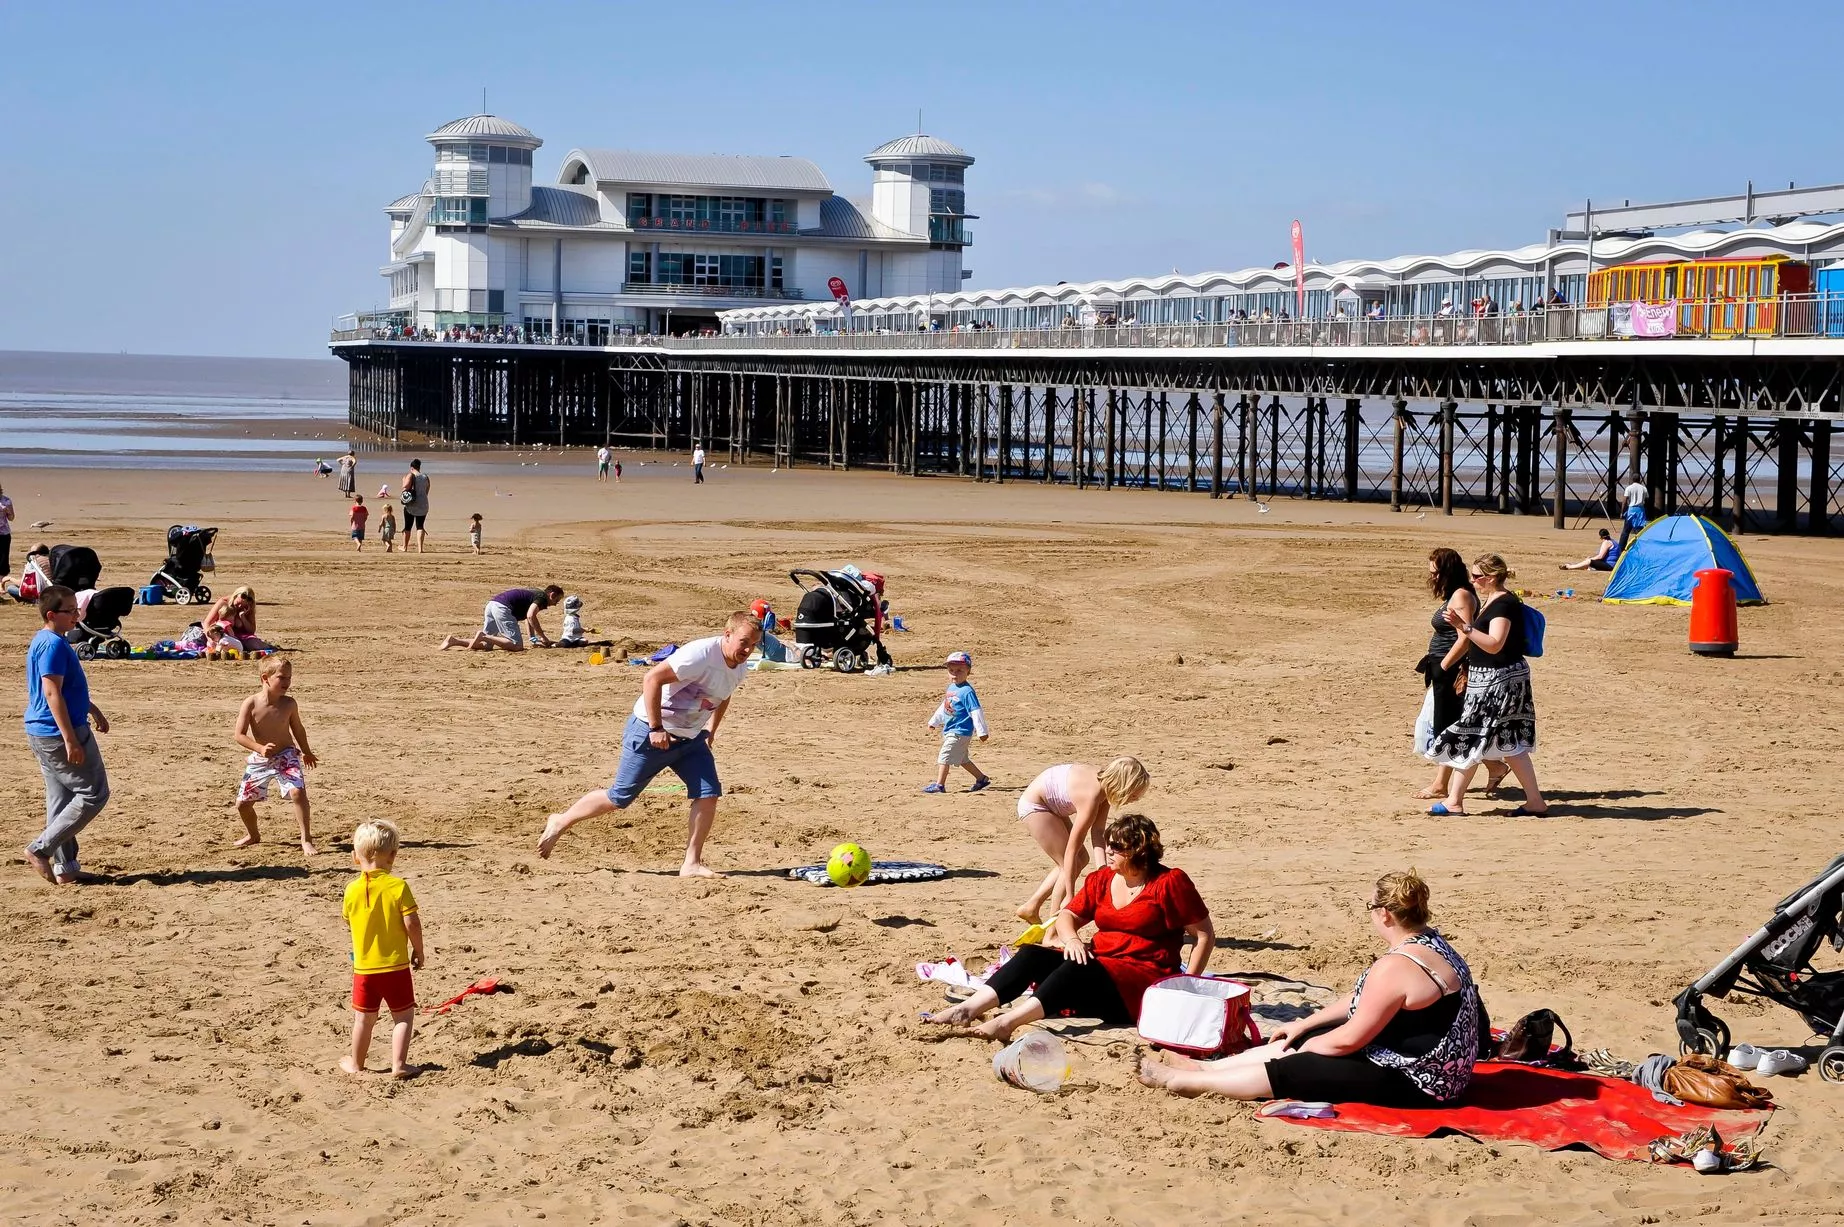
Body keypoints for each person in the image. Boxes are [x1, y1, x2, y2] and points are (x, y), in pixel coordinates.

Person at [1139, 870, 1480, 1108]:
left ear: (1386, 915)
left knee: (1299, 1065)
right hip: (1438, 1067)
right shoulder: (1432, 943)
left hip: (1421, 1082)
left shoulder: (1395, 966)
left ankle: (1187, 1082)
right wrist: (1305, 1024)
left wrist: (1313, 1046)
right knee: (1301, 1038)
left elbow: (1349, 1039)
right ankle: (1206, 1068)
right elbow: (1363, 999)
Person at [922, 815, 1213, 1040]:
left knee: (1079, 967)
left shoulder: (1170, 882)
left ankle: (1007, 1022)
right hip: (1103, 969)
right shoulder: (1102, 879)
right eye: (1108, 844)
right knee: (1033, 955)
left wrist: (1187, 987)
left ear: (1138, 851)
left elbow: (1203, 936)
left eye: (1116, 847)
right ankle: (968, 1009)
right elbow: (1067, 916)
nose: (1108, 851)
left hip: (1143, 981)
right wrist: (1072, 939)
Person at [537, 610, 761, 877]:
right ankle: (561, 820)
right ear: (727, 635)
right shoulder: (700, 655)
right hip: (650, 733)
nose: (748, 649)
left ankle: (691, 863)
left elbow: (723, 694)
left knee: (708, 793)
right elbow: (652, 678)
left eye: (754, 644)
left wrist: (711, 730)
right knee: (619, 798)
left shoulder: (740, 666)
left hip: (690, 739)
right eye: (744, 641)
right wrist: (656, 728)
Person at [1426, 554, 1547, 816]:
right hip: (1491, 679)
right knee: (1505, 744)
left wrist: (1464, 627)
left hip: (1499, 683)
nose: (1472, 581)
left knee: (1475, 736)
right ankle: (1533, 802)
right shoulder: (1494, 599)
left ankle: (1455, 801)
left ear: (1491, 578)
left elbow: (1495, 643)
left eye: (1477, 577)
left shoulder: (1505, 604)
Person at [22, 586, 111, 884]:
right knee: (94, 793)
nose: (77, 614)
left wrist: (92, 709)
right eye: (70, 610)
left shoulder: (49, 640)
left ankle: (67, 869)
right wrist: (71, 738)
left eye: (77, 609)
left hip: (44, 732)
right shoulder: (53, 645)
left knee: (60, 799)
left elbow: (67, 689)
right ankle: (40, 849)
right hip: (57, 733)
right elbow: (51, 692)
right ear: (52, 614)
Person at [1413, 549, 1505, 801]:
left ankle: (1441, 784)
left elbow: (1465, 636)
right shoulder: (1455, 594)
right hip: (1442, 666)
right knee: (1451, 723)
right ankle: (1493, 766)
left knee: (1449, 725)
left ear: (1446, 572)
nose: (1431, 577)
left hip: (1451, 669)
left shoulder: (1462, 595)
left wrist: (1444, 666)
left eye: (1435, 572)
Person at [1014, 757, 1151, 924]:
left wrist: (1103, 870)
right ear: (1123, 786)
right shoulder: (1091, 796)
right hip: (1036, 806)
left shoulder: (1105, 787)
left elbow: (1098, 831)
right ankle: (1055, 924)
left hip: (1053, 805)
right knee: (1067, 864)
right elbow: (1071, 849)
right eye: (1134, 794)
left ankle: (1031, 907)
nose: (1135, 799)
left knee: (1081, 859)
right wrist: (1070, 897)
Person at [340, 820, 424, 1080]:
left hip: (364, 969)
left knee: (363, 1020)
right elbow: (412, 923)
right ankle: (399, 1065)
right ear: (393, 855)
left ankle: (356, 1064)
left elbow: (348, 920)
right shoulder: (398, 887)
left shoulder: (351, 890)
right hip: (395, 967)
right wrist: (419, 950)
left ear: (355, 857)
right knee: (403, 1018)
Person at [232, 656, 319, 855]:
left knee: (298, 793)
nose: (287, 682)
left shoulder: (289, 704)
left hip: (286, 755)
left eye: (289, 678)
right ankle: (253, 835)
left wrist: (306, 751)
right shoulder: (251, 704)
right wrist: (259, 748)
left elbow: (298, 729)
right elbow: (239, 735)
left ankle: (306, 839)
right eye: (282, 678)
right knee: (242, 805)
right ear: (266, 678)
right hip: (261, 759)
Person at [924, 650, 990, 794]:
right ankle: (981, 778)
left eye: (960, 670)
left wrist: (982, 732)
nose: (955, 674)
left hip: (960, 731)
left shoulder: (967, 691)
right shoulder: (952, 688)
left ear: (968, 671)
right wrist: (934, 722)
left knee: (944, 755)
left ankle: (939, 785)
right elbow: (945, 706)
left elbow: (976, 711)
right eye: (951, 670)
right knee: (962, 759)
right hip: (951, 729)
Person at [439, 584, 563, 652]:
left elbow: (527, 618)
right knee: (517, 645)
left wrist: (533, 639)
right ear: (551, 595)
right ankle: (483, 636)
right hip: (503, 607)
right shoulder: (542, 598)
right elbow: (531, 616)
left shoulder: (536, 593)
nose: (556, 603)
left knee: (487, 645)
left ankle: (454, 641)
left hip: (492, 604)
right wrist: (543, 637)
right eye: (557, 600)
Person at [202, 586, 267, 659]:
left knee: (253, 645)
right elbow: (207, 623)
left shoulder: (248, 608)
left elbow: (251, 631)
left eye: (242, 605)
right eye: (238, 603)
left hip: (241, 637)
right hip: (223, 636)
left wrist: (243, 617)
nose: (239, 606)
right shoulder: (223, 603)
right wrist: (211, 640)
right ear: (235, 596)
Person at [400, 459, 431, 554]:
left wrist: (403, 480)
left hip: (412, 504)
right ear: (419, 467)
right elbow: (427, 490)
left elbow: (405, 487)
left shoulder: (410, 475)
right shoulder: (425, 477)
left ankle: (405, 547)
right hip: (424, 504)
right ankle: (420, 549)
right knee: (420, 526)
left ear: (411, 467)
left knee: (408, 526)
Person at [1617, 474, 1648, 555]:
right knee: (1639, 531)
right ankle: (1640, 548)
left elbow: (1625, 500)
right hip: (1640, 509)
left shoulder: (1629, 488)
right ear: (1640, 479)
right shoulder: (1644, 488)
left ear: (1632, 479)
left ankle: (1621, 548)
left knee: (1626, 530)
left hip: (1631, 509)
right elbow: (1647, 500)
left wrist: (1622, 511)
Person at [0, 480, 13, 580]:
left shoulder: (6, 501)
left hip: (4, 533)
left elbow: (11, 518)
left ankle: (0, 583)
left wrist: (8, 511)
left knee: (3, 560)